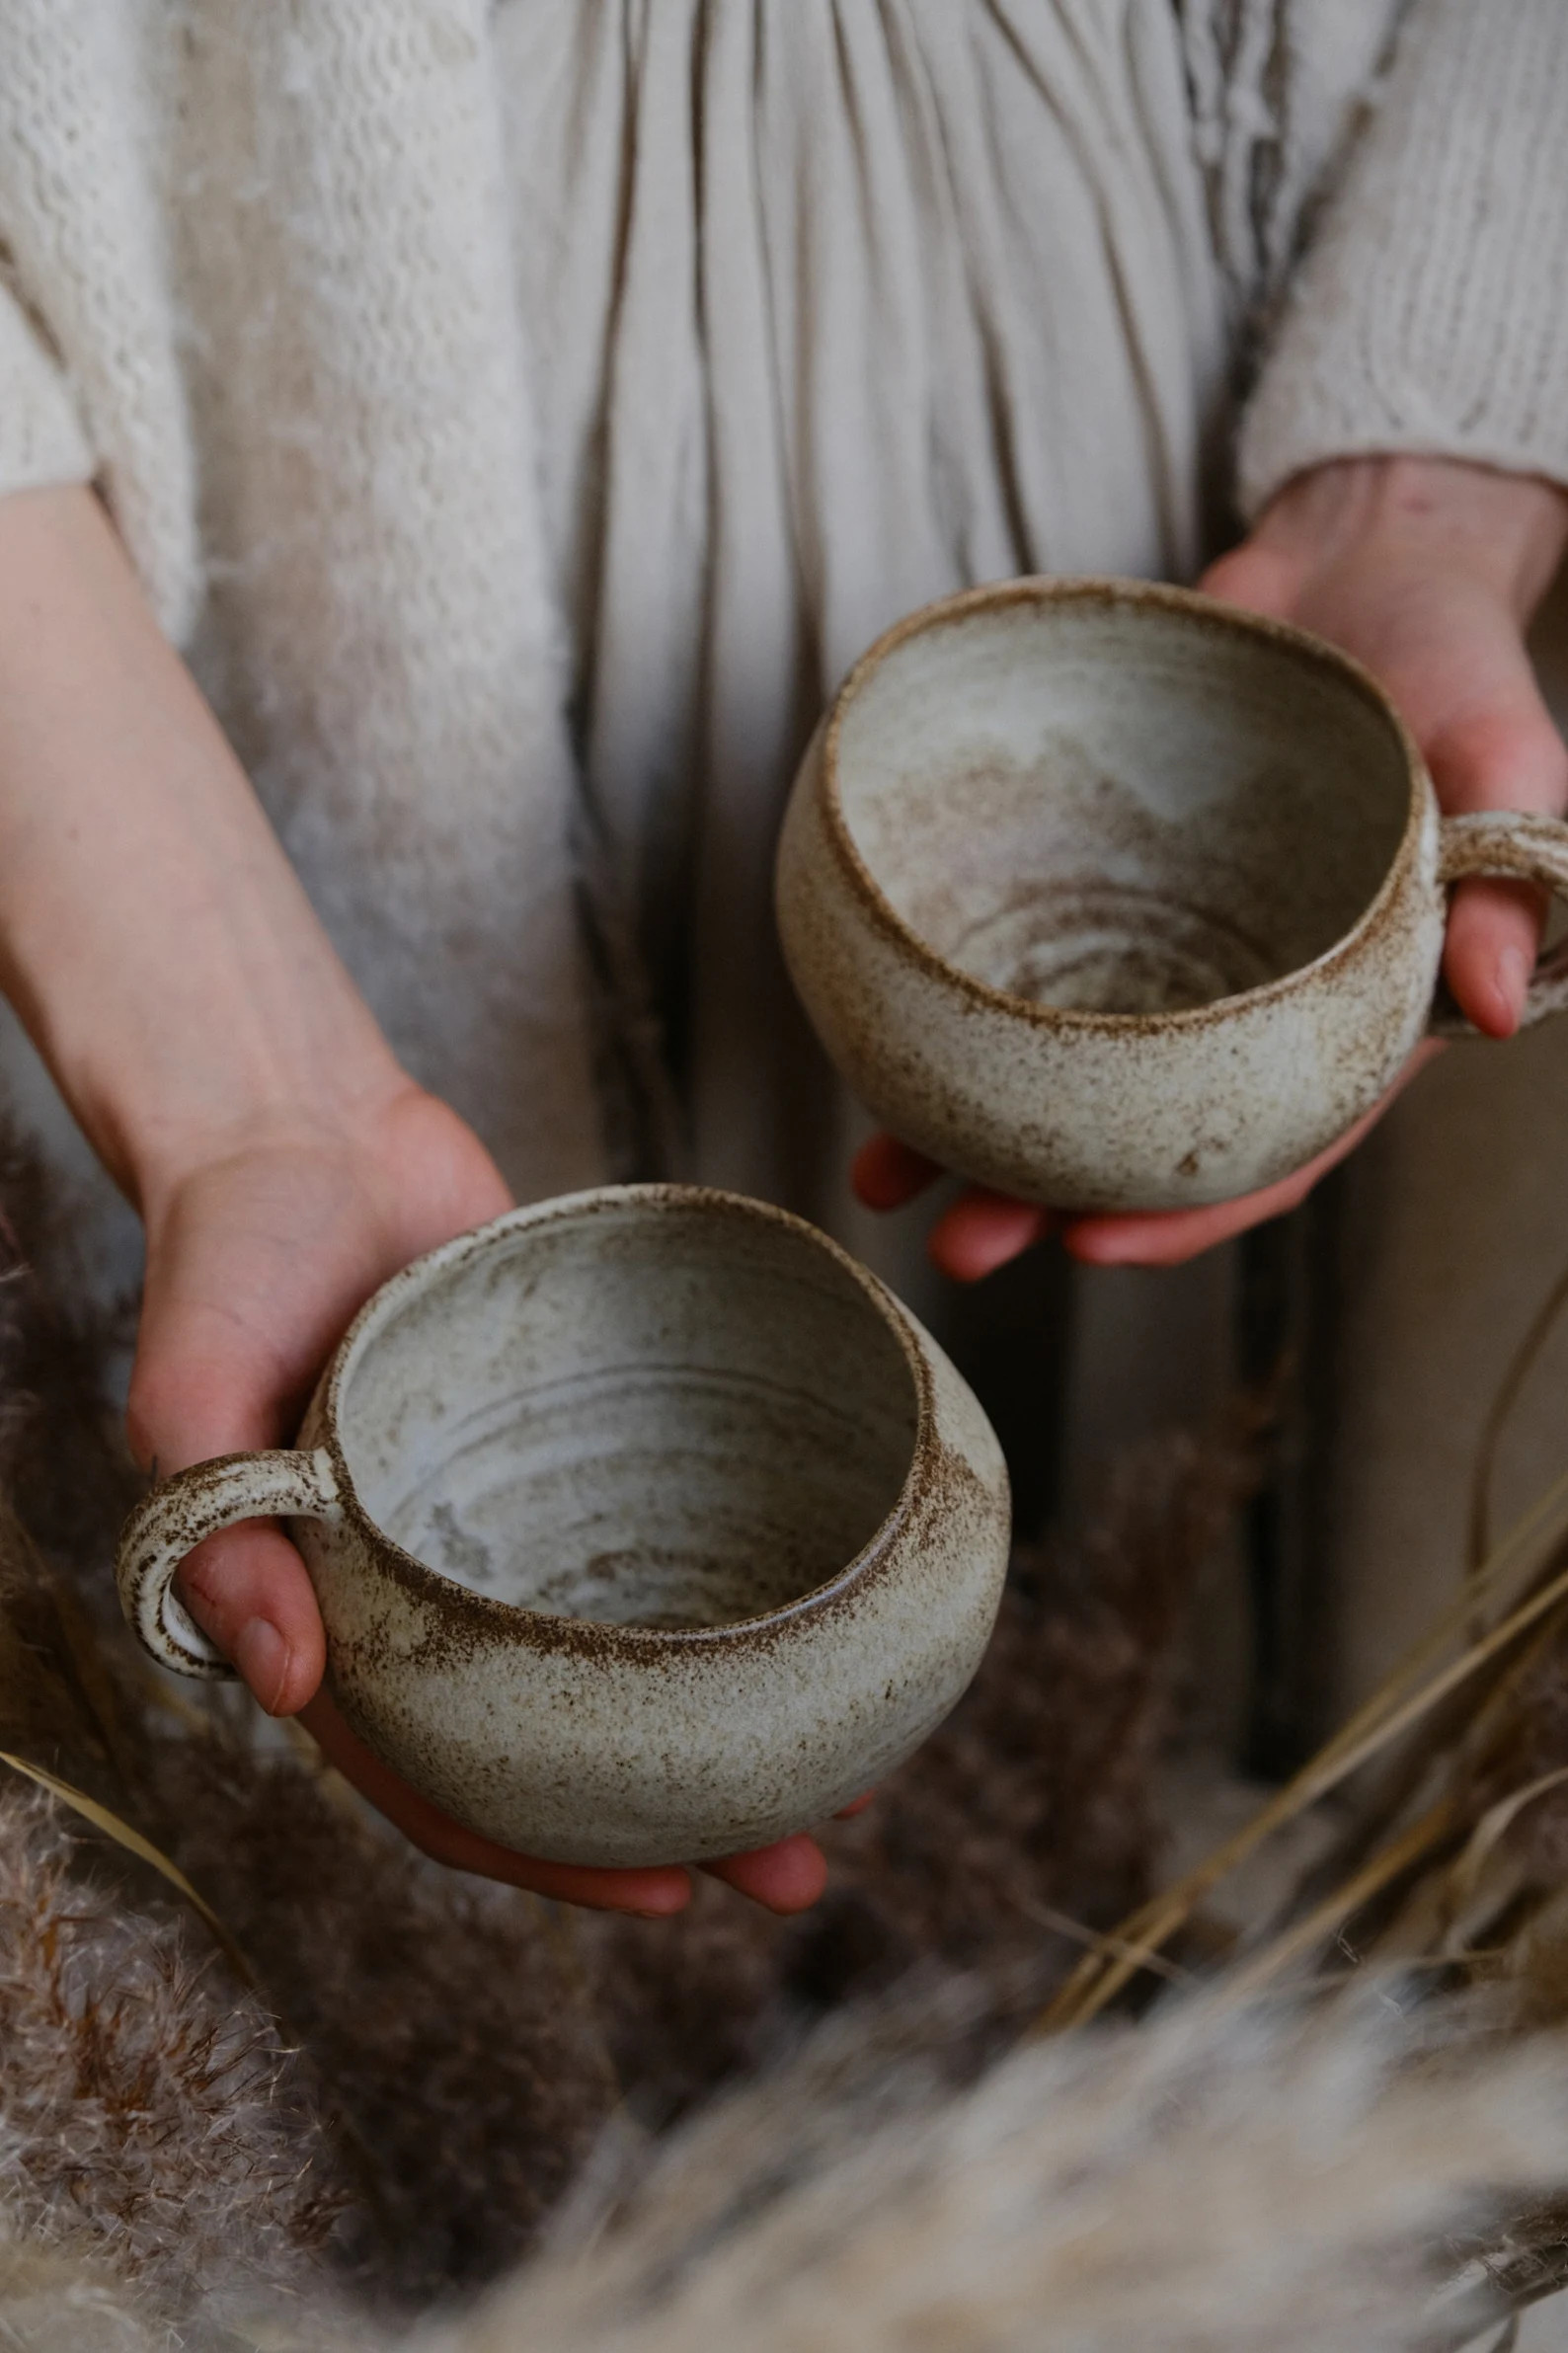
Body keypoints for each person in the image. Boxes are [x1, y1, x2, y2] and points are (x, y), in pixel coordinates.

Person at [0, 0, 1564, 1920]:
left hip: (1199, 254)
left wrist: (1426, 475)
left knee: (1189, 1777)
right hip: (312, 439)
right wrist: (234, 1079)